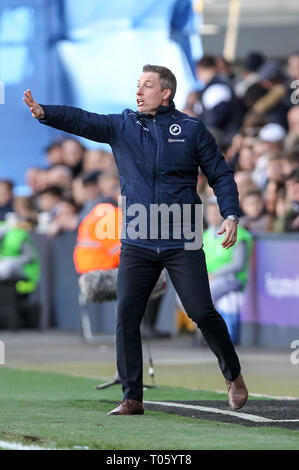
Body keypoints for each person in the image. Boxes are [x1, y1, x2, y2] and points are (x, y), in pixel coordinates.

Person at [23, 64, 248, 415]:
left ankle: (232, 374)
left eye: (146, 86)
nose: (139, 92)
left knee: (201, 311)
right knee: (127, 313)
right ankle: (132, 397)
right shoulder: (123, 125)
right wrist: (45, 113)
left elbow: (220, 173)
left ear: (166, 92)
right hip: (138, 239)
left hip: (180, 238)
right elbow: (84, 120)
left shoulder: (191, 130)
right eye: (137, 85)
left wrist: (231, 214)